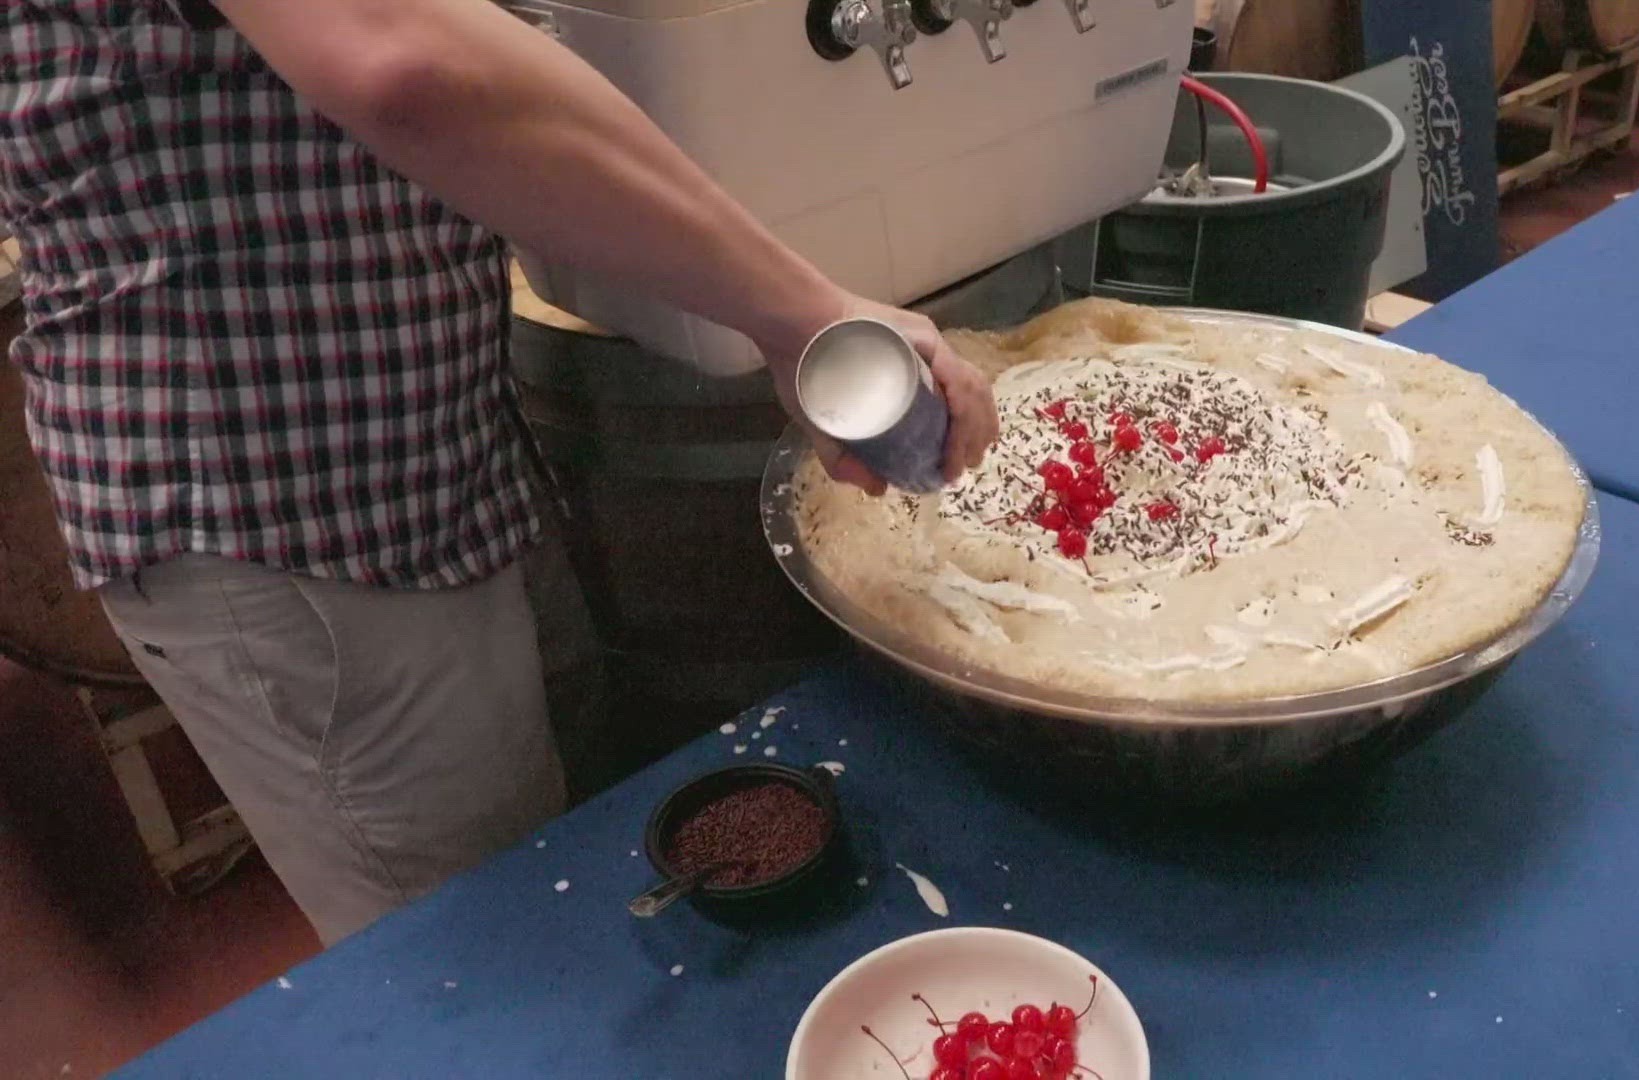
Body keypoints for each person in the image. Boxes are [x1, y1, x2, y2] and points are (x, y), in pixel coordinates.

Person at [0, 0, 998, 946]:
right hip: (277, 505)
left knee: (570, 855)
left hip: (439, 448)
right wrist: (798, 311)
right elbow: (401, 54)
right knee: (483, 957)